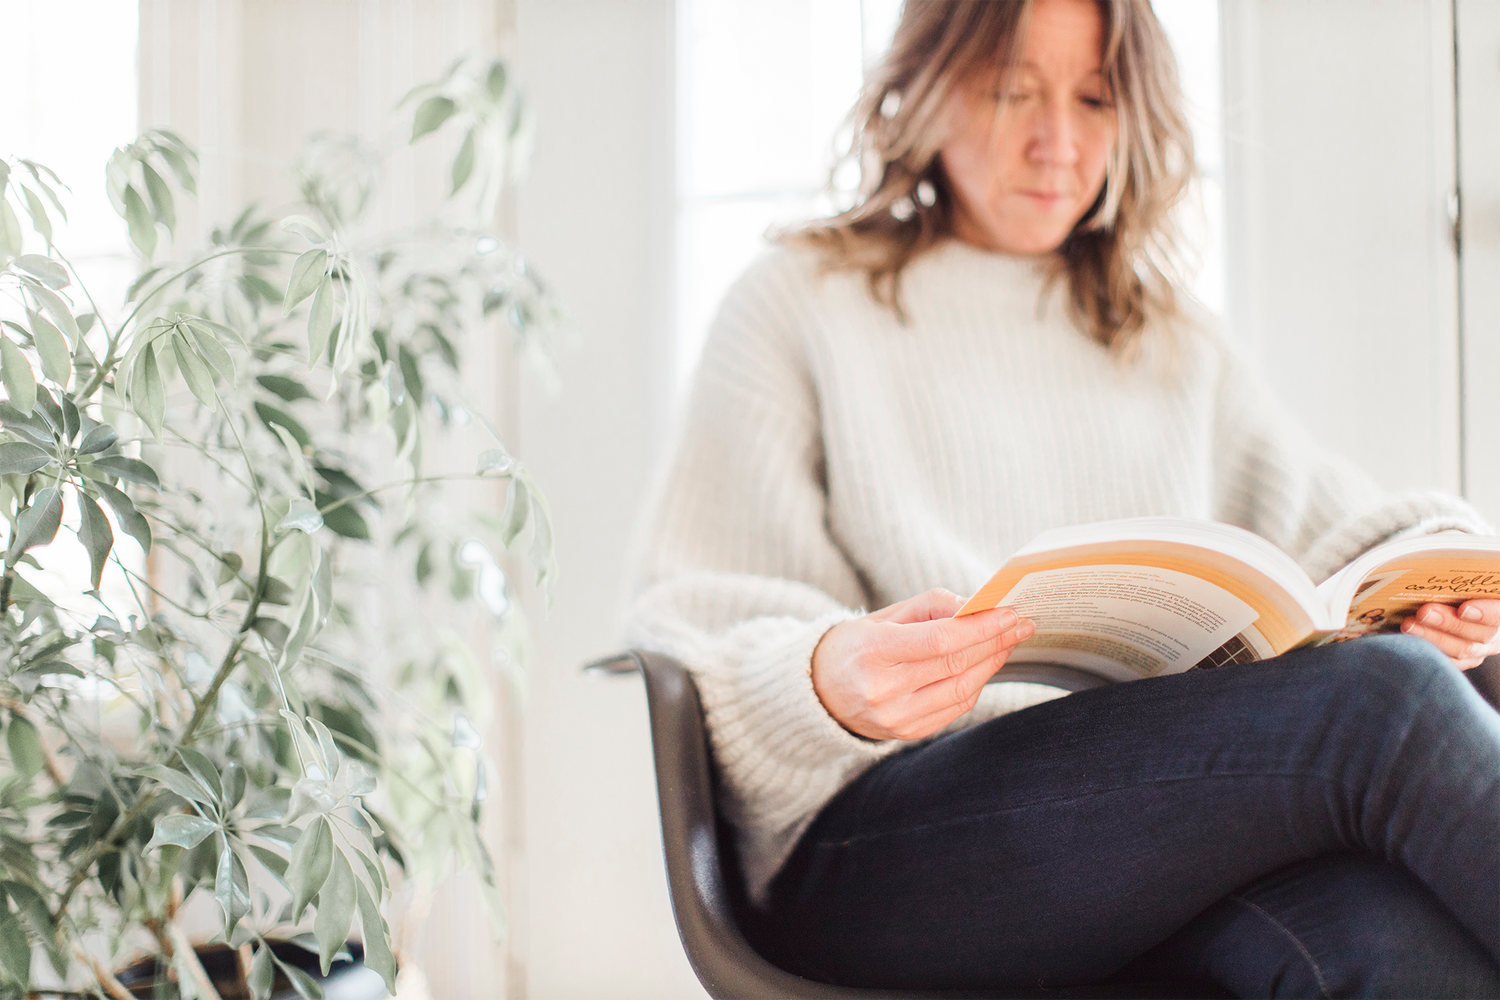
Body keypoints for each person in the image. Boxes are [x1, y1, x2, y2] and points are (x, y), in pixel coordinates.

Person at [624, 0, 1500, 996]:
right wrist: (830, 677)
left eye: (1095, 98)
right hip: (877, 841)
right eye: (1012, 92)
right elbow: (691, 613)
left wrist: (1440, 569)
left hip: (1138, 843)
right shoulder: (798, 302)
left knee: (1384, 939)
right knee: (1385, 705)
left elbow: (1339, 535)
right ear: (926, 86)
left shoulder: (1165, 336)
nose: (1058, 143)